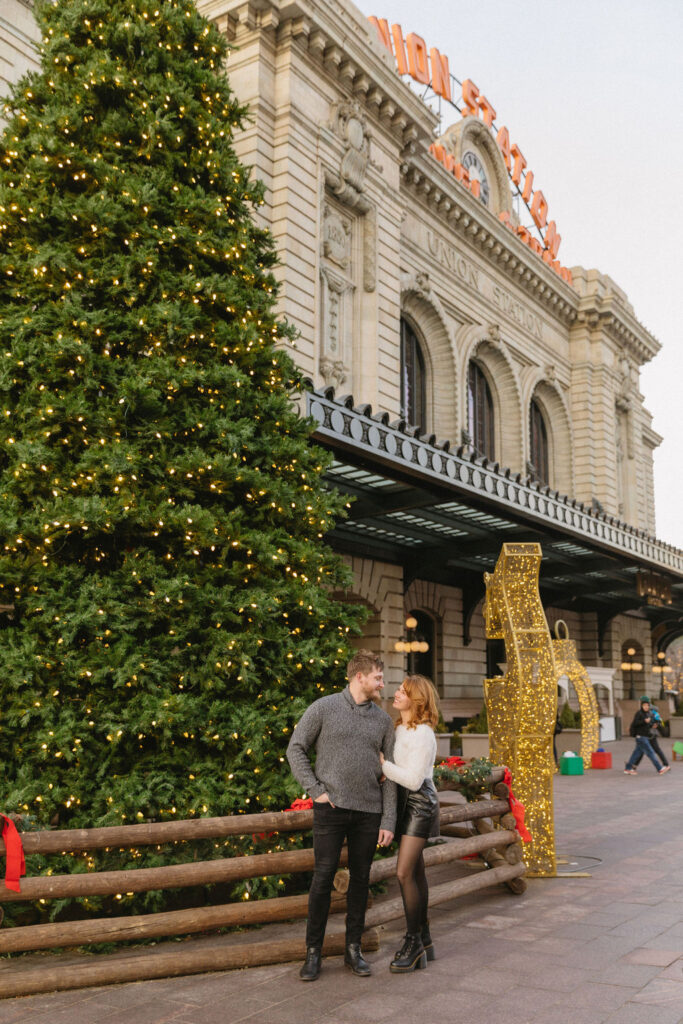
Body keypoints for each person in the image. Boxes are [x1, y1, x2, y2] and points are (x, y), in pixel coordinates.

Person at [286, 650, 397, 982]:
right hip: (330, 810)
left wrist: (388, 819)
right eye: (378, 677)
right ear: (359, 676)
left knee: (361, 883)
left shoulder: (383, 720)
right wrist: (315, 790)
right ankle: (313, 953)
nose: (382, 683)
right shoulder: (323, 707)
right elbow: (295, 748)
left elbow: (389, 772)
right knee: (322, 880)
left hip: (369, 814)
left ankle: (353, 950)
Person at [379, 674, 440, 974]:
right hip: (404, 802)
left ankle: (413, 942)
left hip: (419, 803)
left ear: (417, 700)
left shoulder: (423, 734)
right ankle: (425, 938)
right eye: (398, 688)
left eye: (403, 691)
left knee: (403, 873)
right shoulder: (399, 728)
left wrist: (383, 766)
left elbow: (415, 779)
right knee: (416, 871)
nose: (396, 693)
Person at [624, 697, 671, 775]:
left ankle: (628, 768)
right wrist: (644, 721)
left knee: (636, 753)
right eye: (644, 705)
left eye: (647, 705)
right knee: (651, 752)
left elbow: (651, 723)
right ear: (642, 706)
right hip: (641, 737)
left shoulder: (649, 713)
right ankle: (660, 768)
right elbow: (635, 723)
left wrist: (653, 724)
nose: (646, 707)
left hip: (646, 736)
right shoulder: (639, 713)